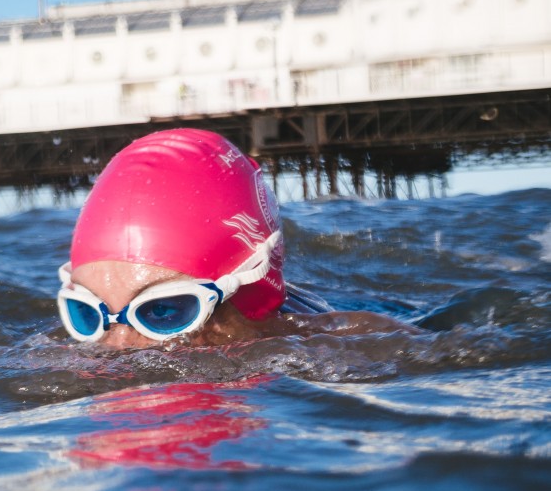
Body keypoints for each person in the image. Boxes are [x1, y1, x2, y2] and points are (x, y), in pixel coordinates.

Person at [57, 128, 418, 349]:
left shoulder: (350, 341)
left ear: (248, 291)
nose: (118, 349)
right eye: (87, 315)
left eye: (162, 311)